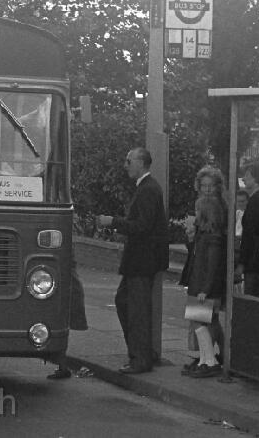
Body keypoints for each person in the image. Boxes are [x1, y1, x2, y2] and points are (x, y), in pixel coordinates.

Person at [97, 147, 169, 374]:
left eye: (129, 161)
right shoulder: (146, 188)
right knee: (124, 302)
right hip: (138, 261)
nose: (125, 165)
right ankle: (139, 353)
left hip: (141, 261)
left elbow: (143, 226)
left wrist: (113, 221)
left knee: (136, 311)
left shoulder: (148, 190)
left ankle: (141, 359)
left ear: (141, 162)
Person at [181, 166, 227, 378]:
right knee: (205, 320)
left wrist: (205, 289)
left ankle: (208, 360)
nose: (207, 190)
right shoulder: (204, 233)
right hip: (199, 279)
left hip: (204, 283)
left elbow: (213, 264)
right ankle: (206, 359)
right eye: (204, 186)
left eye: (211, 186)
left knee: (201, 320)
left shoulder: (212, 235)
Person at [47, 252, 89, 379]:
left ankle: (62, 366)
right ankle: (62, 366)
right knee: (61, 327)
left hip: (65, 291)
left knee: (61, 326)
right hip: (64, 288)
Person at [237, 161, 259, 299]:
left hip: (255, 262)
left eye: (247, 175)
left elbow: (249, 235)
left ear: (257, 179)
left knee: (253, 302)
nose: (243, 178)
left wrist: (242, 263)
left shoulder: (256, 202)